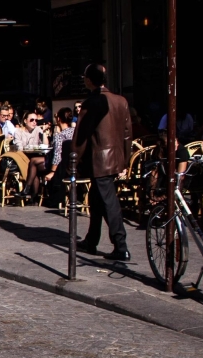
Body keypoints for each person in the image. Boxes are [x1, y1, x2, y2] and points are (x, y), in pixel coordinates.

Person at [73, 63, 133, 261]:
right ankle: (92, 239)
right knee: (97, 198)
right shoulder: (121, 100)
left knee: (109, 202)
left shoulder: (93, 102)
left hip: (100, 159)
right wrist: (125, 159)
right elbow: (127, 134)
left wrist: (73, 159)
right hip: (115, 157)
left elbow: (81, 135)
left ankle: (120, 244)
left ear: (89, 80)